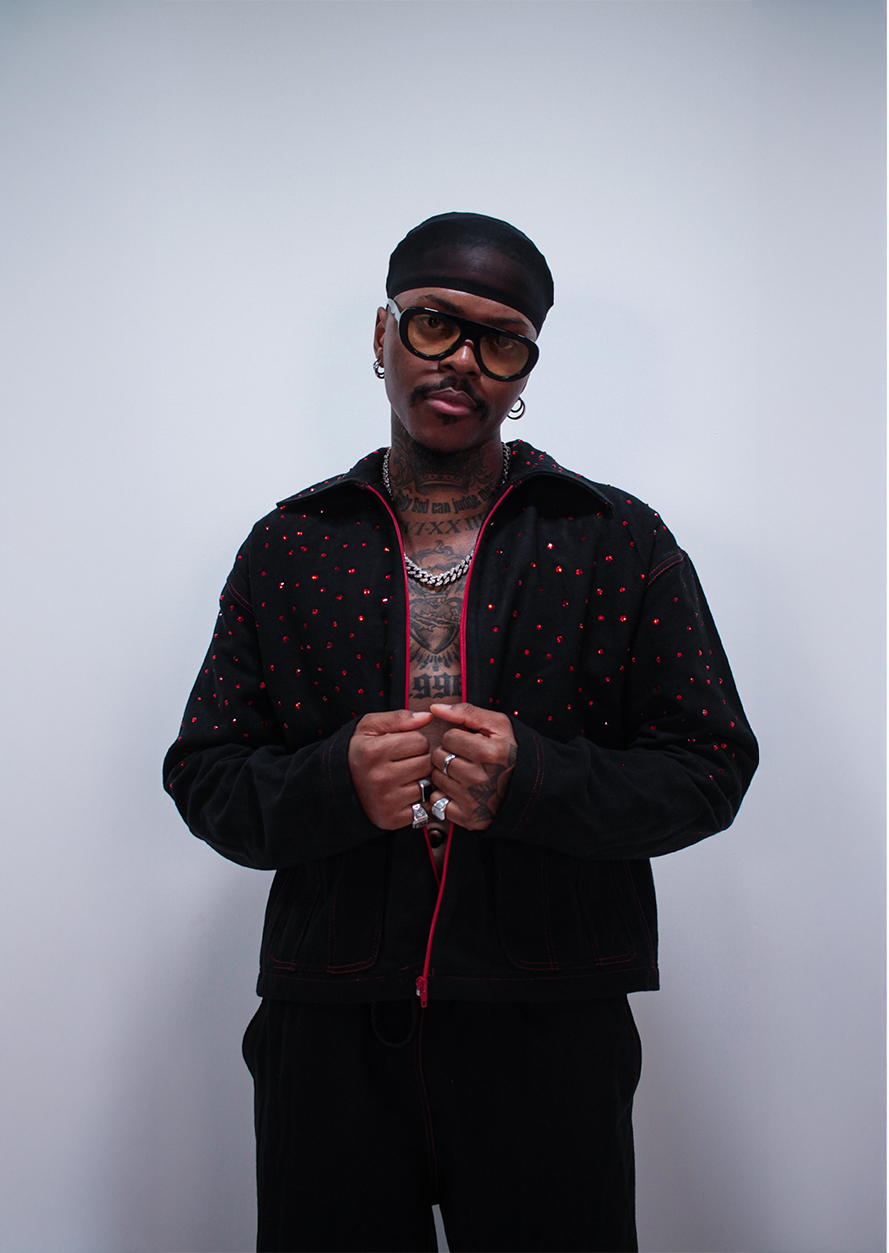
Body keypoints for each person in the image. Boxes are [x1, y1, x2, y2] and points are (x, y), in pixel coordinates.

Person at [163, 212, 758, 1253]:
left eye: (501, 342)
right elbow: (205, 772)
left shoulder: (613, 537)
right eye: (435, 324)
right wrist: (334, 782)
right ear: (382, 334)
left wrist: (535, 781)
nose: (462, 363)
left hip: (548, 1023)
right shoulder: (289, 545)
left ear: (525, 369)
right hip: (329, 1022)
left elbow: (710, 766)